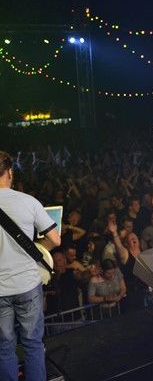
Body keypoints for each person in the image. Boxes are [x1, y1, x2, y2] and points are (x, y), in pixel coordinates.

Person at [0, 151, 61, 381]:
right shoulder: (28, 201)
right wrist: (36, 246)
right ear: (10, 172)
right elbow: (55, 240)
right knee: (33, 343)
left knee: (4, 347)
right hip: (27, 285)